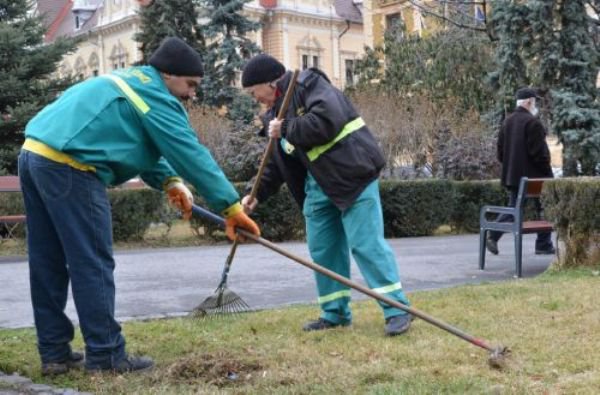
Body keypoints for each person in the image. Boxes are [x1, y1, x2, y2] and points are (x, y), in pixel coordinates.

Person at [18, 37, 260, 375]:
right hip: (72, 168)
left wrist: (170, 181)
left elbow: (134, 139)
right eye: (190, 84)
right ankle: (106, 357)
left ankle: (54, 354)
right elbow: (189, 152)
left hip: (34, 156)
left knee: (48, 262)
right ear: (168, 74)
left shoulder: (130, 82)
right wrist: (231, 207)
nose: (192, 93)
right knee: (92, 263)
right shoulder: (157, 96)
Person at [240, 54, 412, 336]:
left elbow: (327, 121)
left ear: (269, 84)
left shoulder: (310, 84)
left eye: (252, 92)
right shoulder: (273, 114)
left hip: (353, 176)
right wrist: (255, 193)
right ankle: (334, 313)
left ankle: (396, 310)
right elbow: (276, 161)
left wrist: (286, 128)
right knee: (323, 250)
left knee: (366, 245)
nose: (254, 98)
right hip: (318, 188)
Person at [486, 87, 555, 255]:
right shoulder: (533, 123)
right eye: (535, 101)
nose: (536, 105)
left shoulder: (507, 122)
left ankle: (494, 236)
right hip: (535, 178)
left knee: (514, 208)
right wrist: (548, 173)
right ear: (529, 102)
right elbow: (540, 154)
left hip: (512, 176)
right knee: (545, 208)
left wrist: (512, 167)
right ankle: (543, 244)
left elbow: (500, 153)